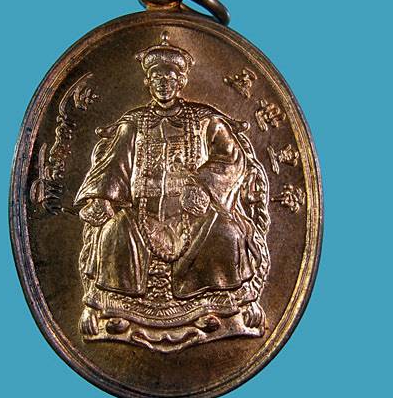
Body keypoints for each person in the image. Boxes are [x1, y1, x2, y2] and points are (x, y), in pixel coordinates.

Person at [74, 33, 270, 348]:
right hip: (140, 214)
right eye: (156, 78)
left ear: (181, 82)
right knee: (112, 232)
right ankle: (117, 310)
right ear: (148, 83)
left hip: (195, 215)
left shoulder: (205, 120)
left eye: (169, 78)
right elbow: (114, 164)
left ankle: (217, 308)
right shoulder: (133, 123)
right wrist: (102, 198)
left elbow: (233, 158)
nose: (163, 83)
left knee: (227, 233)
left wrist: (204, 186)